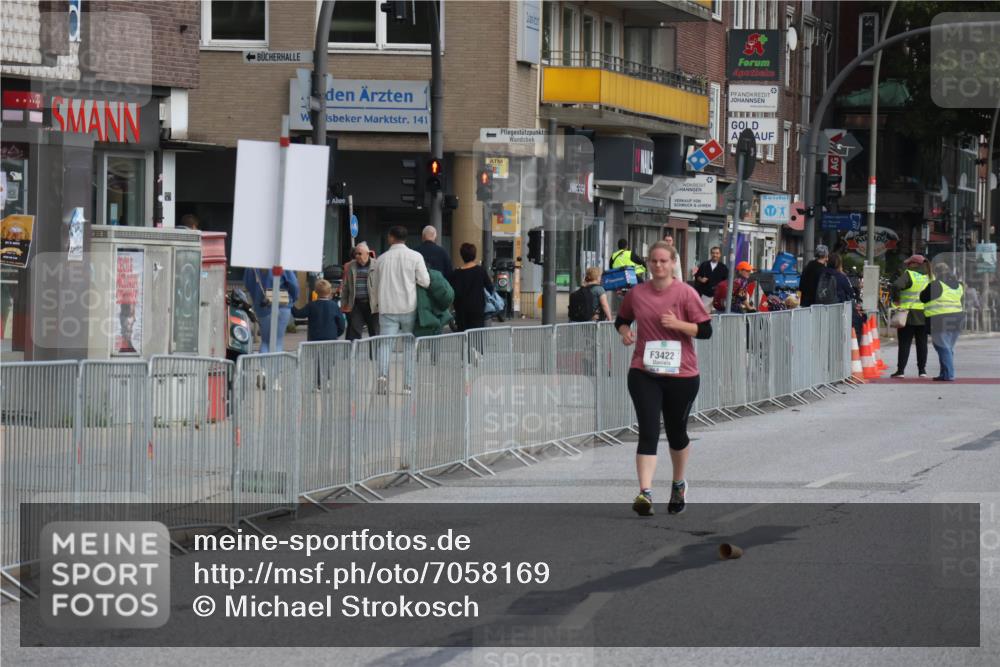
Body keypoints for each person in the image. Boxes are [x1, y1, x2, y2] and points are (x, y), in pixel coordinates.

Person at [615, 241, 712, 516]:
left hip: (682, 374)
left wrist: (678, 325)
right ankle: (645, 493)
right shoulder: (637, 293)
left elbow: (705, 331)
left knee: (676, 433)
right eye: (654, 261)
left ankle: (678, 483)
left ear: (672, 264)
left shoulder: (685, 293)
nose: (658, 265)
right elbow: (621, 319)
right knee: (647, 430)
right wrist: (624, 332)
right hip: (644, 372)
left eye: (663, 261)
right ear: (648, 264)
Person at [921, 262, 964, 381]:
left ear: (936, 273)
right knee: (948, 347)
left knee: (943, 347)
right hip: (957, 320)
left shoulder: (935, 284)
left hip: (940, 320)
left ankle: (949, 374)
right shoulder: (959, 285)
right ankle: (944, 374)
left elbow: (923, 298)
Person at [891, 254, 931, 378]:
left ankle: (901, 371)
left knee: (904, 343)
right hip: (925, 314)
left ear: (915, 264)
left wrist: (897, 300)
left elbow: (896, 285)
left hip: (908, 314)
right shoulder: (931, 276)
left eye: (909, 263)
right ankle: (922, 370)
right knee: (922, 343)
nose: (907, 265)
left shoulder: (909, 274)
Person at [244, 267, 299, 353]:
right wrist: (293, 299)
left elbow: (248, 285)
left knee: (265, 342)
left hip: (263, 306)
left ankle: (264, 366)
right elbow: (294, 285)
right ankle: (275, 366)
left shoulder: (252, 266)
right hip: (282, 304)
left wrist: (257, 299)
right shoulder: (281, 261)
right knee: (278, 342)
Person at [448, 243, 495, 331]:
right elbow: (490, 288)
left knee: (463, 335)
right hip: (477, 309)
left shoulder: (456, 273)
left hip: (461, 309)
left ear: (462, 255)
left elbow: (452, 291)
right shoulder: (480, 271)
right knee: (476, 336)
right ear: (474, 255)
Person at [822, 253, 864, 341]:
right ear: (838, 264)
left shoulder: (822, 274)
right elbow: (850, 291)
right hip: (839, 309)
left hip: (822, 308)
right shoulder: (841, 276)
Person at [341, 242, 379, 340]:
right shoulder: (350, 266)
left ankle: (375, 355)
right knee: (354, 333)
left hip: (373, 305)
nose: (357, 256)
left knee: (375, 333)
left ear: (367, 253)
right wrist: (344, 304)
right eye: (356, 254)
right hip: (356, 304)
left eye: (359, 253)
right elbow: (345, 287)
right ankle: (352, 355)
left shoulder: (377, 265)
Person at [414, 268, 455, 337]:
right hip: (436, 319)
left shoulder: (409, 276)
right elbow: (448, 297)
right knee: (434, 346)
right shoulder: (435, 275)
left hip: (417, 322)